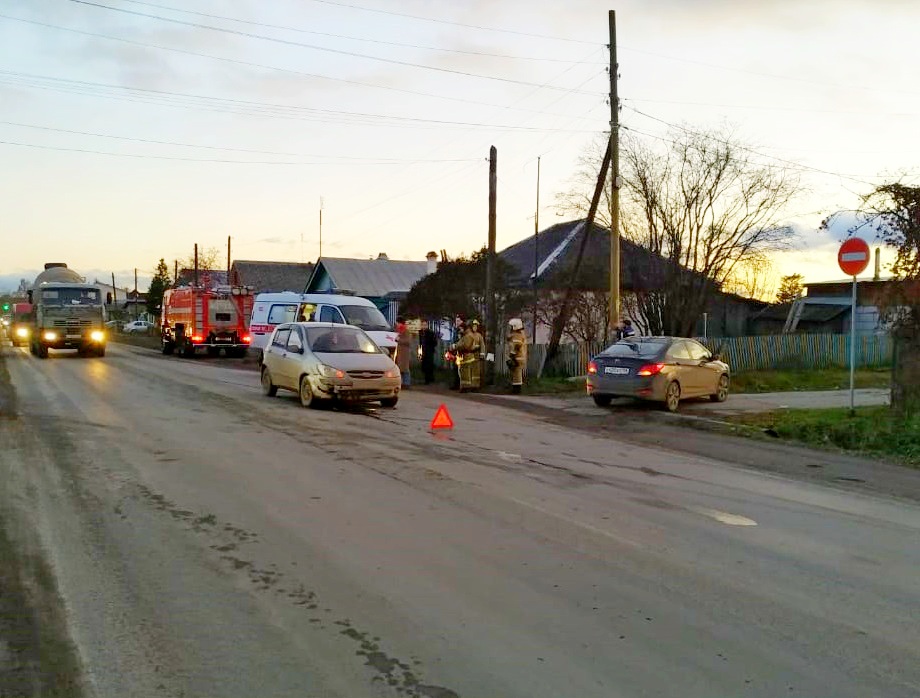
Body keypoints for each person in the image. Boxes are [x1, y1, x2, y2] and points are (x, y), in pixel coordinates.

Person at [455, 319, 483, 392]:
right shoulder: (465, 335)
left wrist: (482, 354)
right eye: (473, 326)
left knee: (473, 372)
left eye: (476, 326)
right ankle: (468, 386)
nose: (475, 328)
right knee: (466, 372)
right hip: (467, 356)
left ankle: (473, 386)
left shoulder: (477, 335)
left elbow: (481, 345)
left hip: (472, 355)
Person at [505, 317, 528, 394]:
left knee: (517, 374)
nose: (510, 328)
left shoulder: (517, 335)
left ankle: (516, 390)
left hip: (517, 357)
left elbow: (517, 346)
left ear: (515, 326)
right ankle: (515, 389)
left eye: (511, 326)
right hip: (519, 357)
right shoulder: (520, 334)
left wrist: (512, 355)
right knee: (516, 375)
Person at [419, 319, 438, 385]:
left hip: (429, 351)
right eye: (422, 325)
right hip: (423, 351)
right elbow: (420, 342)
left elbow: (435, 342)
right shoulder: (420, 332)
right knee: (424, 365)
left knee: (429, 365)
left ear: (427, 325)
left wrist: (430, 346)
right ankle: (428, 378)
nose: (423, 326)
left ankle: (429, 379)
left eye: (425, 325)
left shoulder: (430, 333)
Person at [395, 316, 412, 388]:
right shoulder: (400, 330)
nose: (397, 324)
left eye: (397, 323)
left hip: (405, 352)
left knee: (405, 368)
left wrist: (399, 340)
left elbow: (408, 341)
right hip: (401, 351)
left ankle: (406, 383)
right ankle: (403, 382)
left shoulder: (406, 330)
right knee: (401, 368)